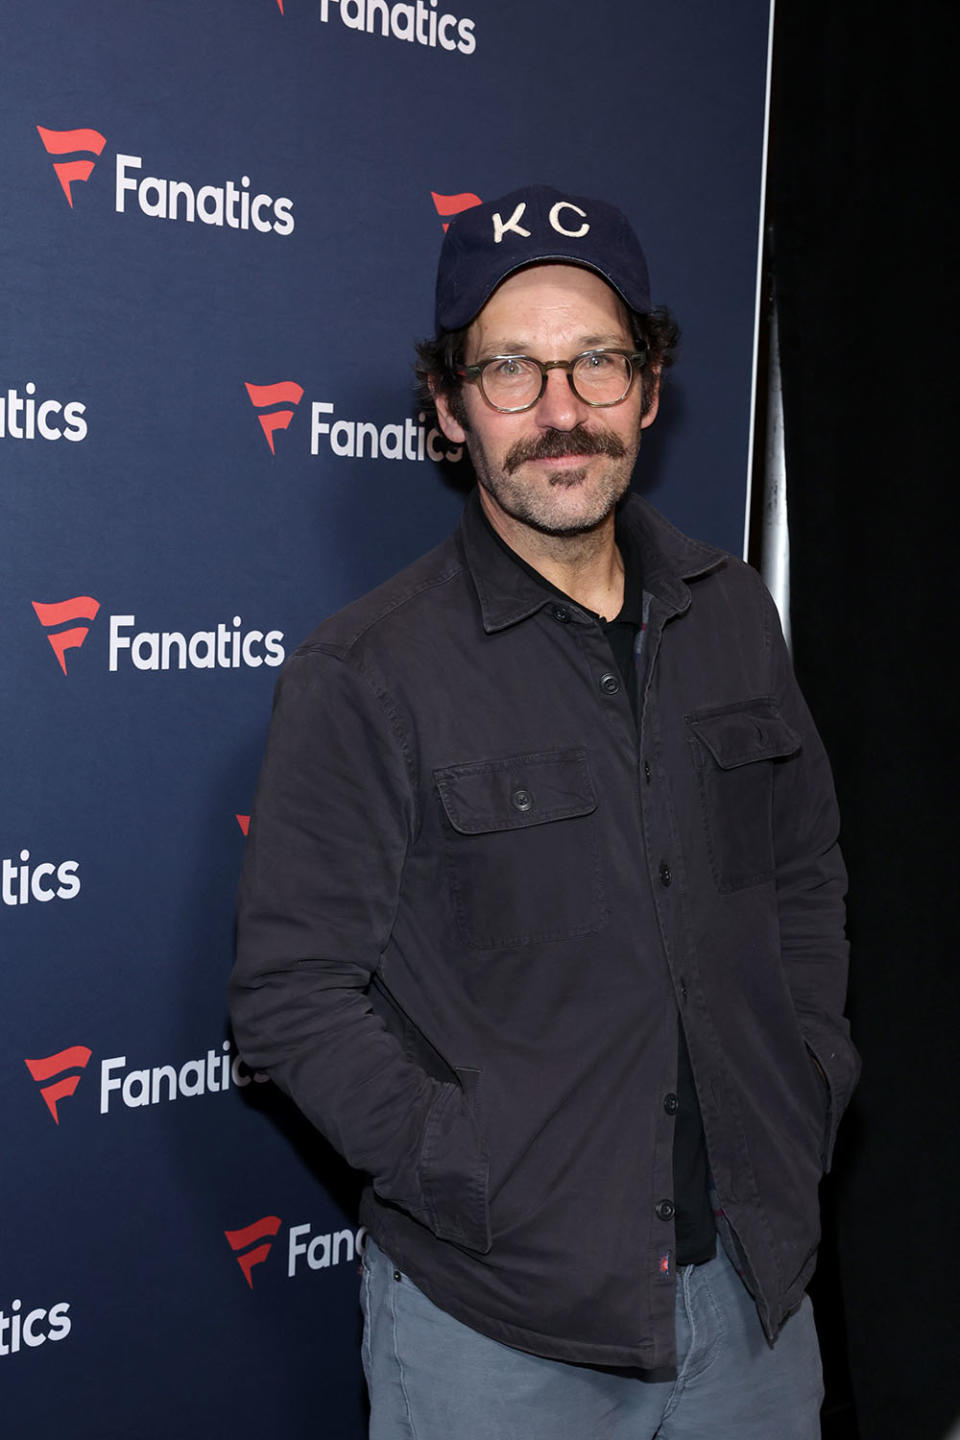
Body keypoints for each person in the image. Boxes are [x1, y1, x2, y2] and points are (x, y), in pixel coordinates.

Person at [229, 184, 859, 1439]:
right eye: (511, 370)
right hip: (501, 1331)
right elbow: (290, 996)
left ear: (651, 387)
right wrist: (472, 1173)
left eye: (596, 362)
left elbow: (804, 879)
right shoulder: (369, 672)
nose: (561, 410)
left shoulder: (734, 615)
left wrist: (814, 1080)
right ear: (449, 412)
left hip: (756, 1299)